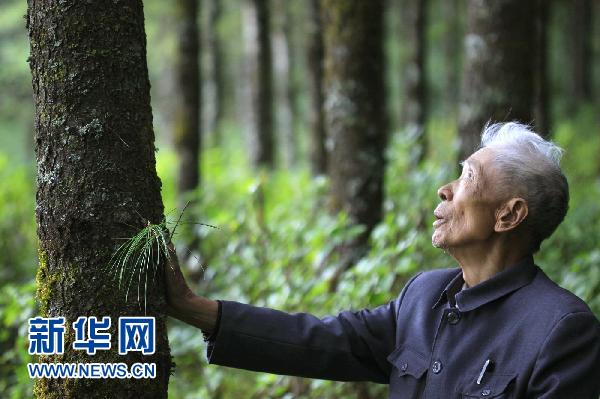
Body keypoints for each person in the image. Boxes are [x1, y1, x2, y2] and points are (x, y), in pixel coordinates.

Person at [165, 122, 600, 398]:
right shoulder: (423, 295)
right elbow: (324, 341)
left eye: (468, 176)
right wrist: (195, 308)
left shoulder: (561, 330)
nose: (444, 189)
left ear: (509, 214)